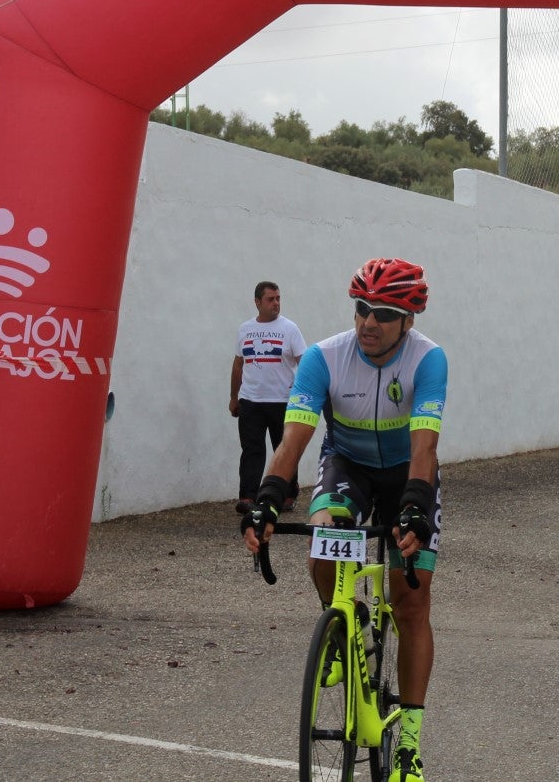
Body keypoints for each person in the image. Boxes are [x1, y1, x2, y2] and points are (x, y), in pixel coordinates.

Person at [242, 257, 447, 782]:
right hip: (348, 466)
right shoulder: (322, 358)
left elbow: (425, 447)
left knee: (411, 597)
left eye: (383, 313)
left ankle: (409, 746)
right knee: (324, 536)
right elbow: (293, 441)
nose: (368, 323)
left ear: (408, 320)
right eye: (361, 309)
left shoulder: (428, 361)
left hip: (407, 474)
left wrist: (416, 509)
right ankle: (342, 625)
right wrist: (267, 496)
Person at [230, 281, 308, 514]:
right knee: (252, 450)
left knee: (284, 448)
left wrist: (300, 389)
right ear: (257, 302)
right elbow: (238, 364)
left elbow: (304, 361)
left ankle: (287, 493)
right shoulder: (245, 329)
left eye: (278, 298)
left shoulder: (290, 329)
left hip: (282, 401)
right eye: (270, 299)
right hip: (251, 401)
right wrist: (234, 397)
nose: (276, 303)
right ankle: (248, 496)